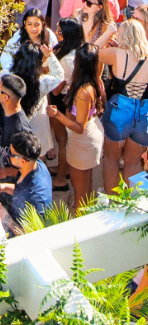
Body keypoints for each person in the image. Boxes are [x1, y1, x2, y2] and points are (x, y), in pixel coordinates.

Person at [47, 42, 103, 209]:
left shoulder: (83, 91)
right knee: (86, 183)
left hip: (82, 141)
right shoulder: (92, 81)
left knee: (80, 192)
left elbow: (80, 127)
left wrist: (58, 115)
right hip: (89, 137)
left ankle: (81, 222)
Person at [97, 15, 148, 191]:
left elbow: (90, 51)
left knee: (111, 158)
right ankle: (130, 203)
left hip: (120, 110)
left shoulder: (118, 54)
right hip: (144, 112)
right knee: (133, 161)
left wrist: (108, 32)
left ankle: (111, 200)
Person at [1, 130, 53, 229]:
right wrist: (3, 187)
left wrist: (6, 218)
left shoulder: (37, 197)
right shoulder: (34, 164)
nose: (8, 155)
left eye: (11, 154)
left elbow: (32, 234)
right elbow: (21, 191)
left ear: (23, 161)